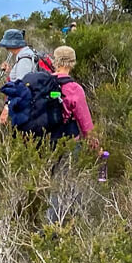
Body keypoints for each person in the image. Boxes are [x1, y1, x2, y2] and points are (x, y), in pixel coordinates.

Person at [45, 45, 99, 224]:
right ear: (72, 62)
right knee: (68, 180)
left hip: (44, 142)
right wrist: (94, 143)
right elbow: (85, 121)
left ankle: (50, 218)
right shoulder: (74, 88)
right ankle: (61, 221)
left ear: (55, 61)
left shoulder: (42, 84)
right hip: (69, 142)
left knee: (50, 181)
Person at [0, 28, 38, 125]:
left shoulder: (24, 60)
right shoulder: (26, 55)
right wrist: (10, 72)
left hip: (27, 110)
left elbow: (21, 88)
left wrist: (7, 107)